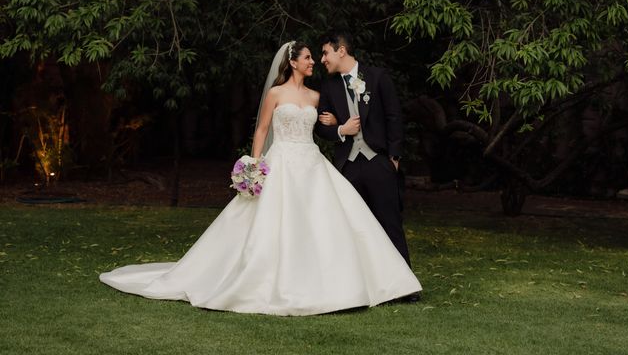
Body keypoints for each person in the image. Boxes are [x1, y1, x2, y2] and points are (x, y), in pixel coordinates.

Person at [100, 41, 421, 316]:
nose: (314, 62)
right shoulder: (276, 94)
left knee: (330, 221)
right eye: (308, 57)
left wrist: (337, 125)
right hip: (280, 161)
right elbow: (263, 130)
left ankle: (352, 281)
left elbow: (324, 127)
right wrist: (253, 165)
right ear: (292, 62)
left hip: (312, 163)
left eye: (316, 56)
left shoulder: (315, 96)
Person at [315, 33, 412, 268]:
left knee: (390, 222)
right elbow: (320, 127)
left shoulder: (378, 77)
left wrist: (394, 158)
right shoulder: (328, 87)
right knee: (353, 226)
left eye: (325, 52)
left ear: (341, 51)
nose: (322, 59)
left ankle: (405, 284)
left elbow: (393, 117)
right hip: (348, 165)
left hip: (378, 160)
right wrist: (341, 129)